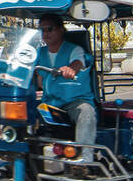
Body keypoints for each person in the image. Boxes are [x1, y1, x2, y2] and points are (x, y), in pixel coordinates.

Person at [35, 12, 97, 161]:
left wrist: (70, 69)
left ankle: (84, 159)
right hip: (49, 102)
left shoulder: (74, 49)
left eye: (49, 29)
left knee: (86, 113)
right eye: (42, 30)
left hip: (74, 102)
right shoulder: (39, 53)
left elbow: (78, 62)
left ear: (60, 30)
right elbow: (37, 79)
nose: (45, 33)